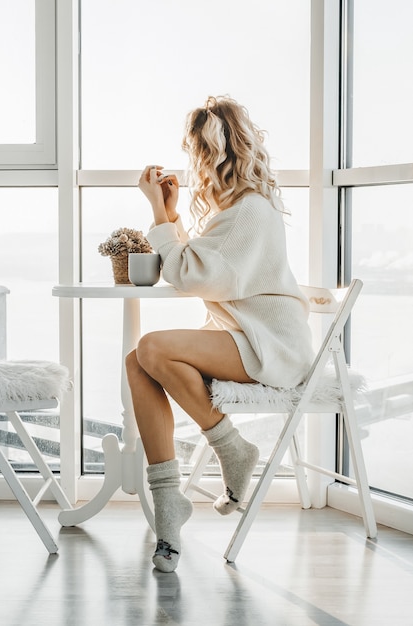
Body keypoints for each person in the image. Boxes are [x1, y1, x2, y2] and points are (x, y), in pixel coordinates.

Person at [125, 95, 314, 573]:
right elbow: (200, 264)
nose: (198, 165)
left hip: (269, 346)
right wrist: (171, 216)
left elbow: (187, 275)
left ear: (216, 154)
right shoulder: (240, 211)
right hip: (248, 339)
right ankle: (171, 504)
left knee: (149, 347)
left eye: (199, 154)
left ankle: (231, 450)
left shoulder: (249, 211)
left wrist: (157, 211)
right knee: (138, 360)